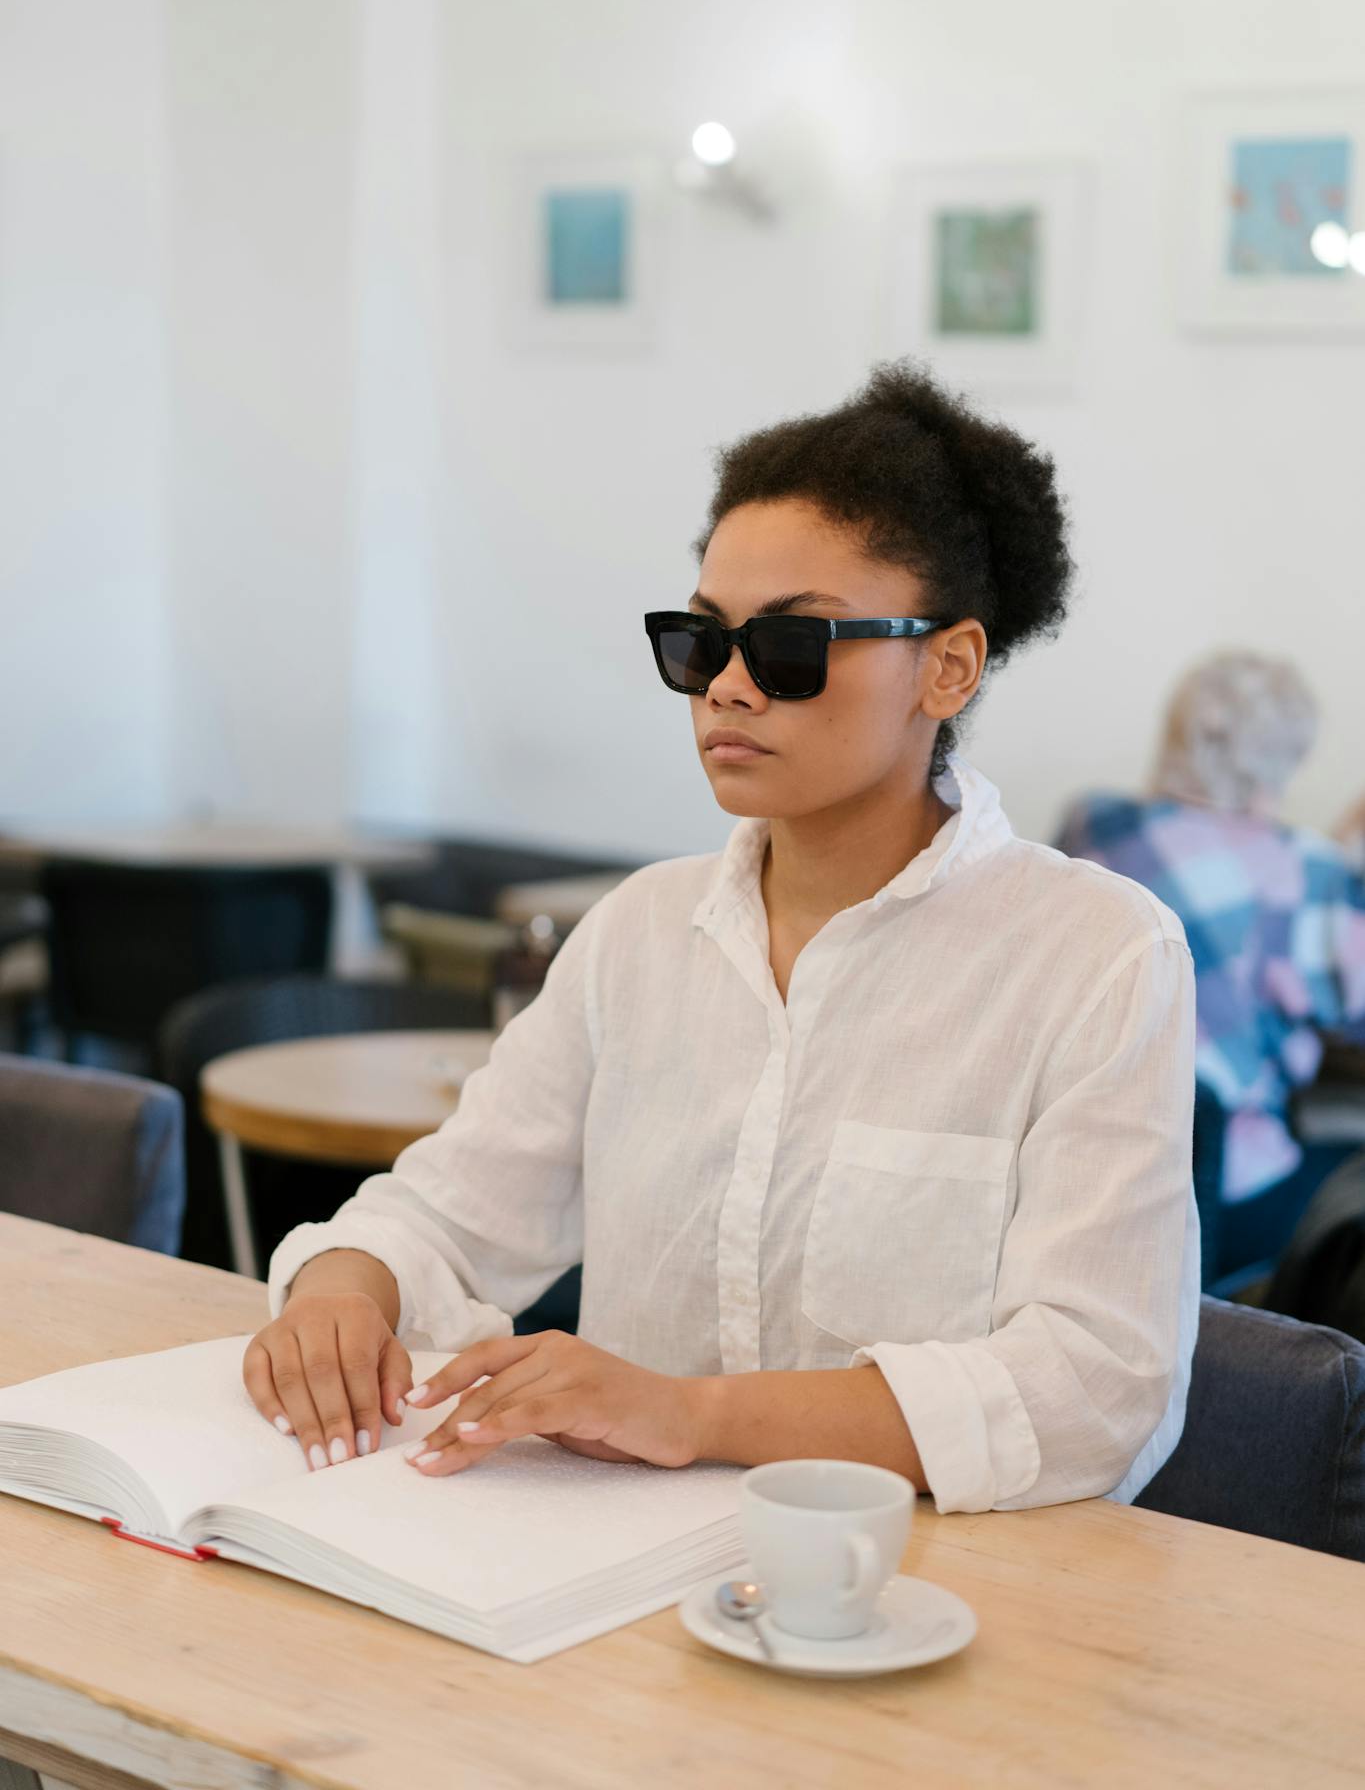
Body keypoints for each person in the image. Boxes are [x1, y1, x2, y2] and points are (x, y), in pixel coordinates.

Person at [244, 361, 1199, 1517]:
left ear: (947, 666)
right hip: (609, 1586)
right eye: (699, 644)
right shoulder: (640, 933)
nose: (728, 690)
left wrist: (690, 1412)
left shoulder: (1094, 955)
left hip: (932, 1598)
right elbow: (449, 1210)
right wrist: (345, 1290)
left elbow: (1100, 1387)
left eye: (790, 649)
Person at [1057, 653, 1365, 1280]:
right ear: (1281, 760)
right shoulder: (1305, 869)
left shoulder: (1088, 823)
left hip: (1085, 1180)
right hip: (1217, 1195)